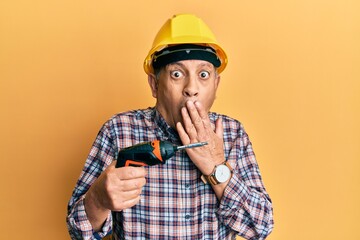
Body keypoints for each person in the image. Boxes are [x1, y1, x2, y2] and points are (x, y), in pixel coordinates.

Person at [67, 14, 274, 240]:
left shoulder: (233, 135)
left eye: (203, 75)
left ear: (216, 85)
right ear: (155, 85)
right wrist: (98, 199)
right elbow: (78, 232)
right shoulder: (118, 131)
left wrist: (216, 167)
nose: (191, 88)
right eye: (177, 74)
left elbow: (261, 227)